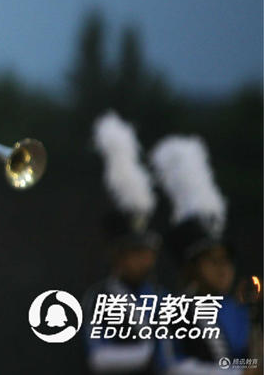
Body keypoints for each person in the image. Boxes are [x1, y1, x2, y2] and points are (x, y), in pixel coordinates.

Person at [151, 136, 261, 375]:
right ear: (193, 267)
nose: (223, 269)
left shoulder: (238, 309)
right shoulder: (175, 312)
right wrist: (239, 373)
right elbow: (172, 367)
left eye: (226, 260)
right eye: (213, 261)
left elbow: (239, 363)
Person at [82, 111, 168, 374]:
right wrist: (152, 352)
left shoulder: (163, 298)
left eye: (148, 252)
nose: (145, 259)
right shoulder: (100, 298)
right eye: (136, 252)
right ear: (118, 256)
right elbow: (99, 357)